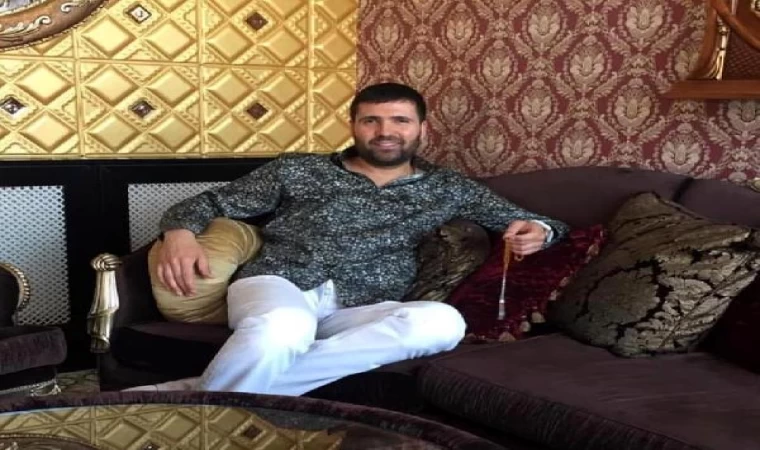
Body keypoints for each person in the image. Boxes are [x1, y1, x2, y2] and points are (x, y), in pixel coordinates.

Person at [136, 82, 569, 395]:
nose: (385, 131)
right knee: (282, 329)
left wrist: (540, 231)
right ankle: (218, 406)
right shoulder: (298, 169)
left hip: (363, 306)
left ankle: (205, 391)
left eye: (400, 121)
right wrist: (179, 233)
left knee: (443, 323)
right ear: (354, 126)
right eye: (371, 121)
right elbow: (208, 202)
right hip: (280, 283)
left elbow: (538, 222)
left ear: (422, 129)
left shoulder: (449, 187)